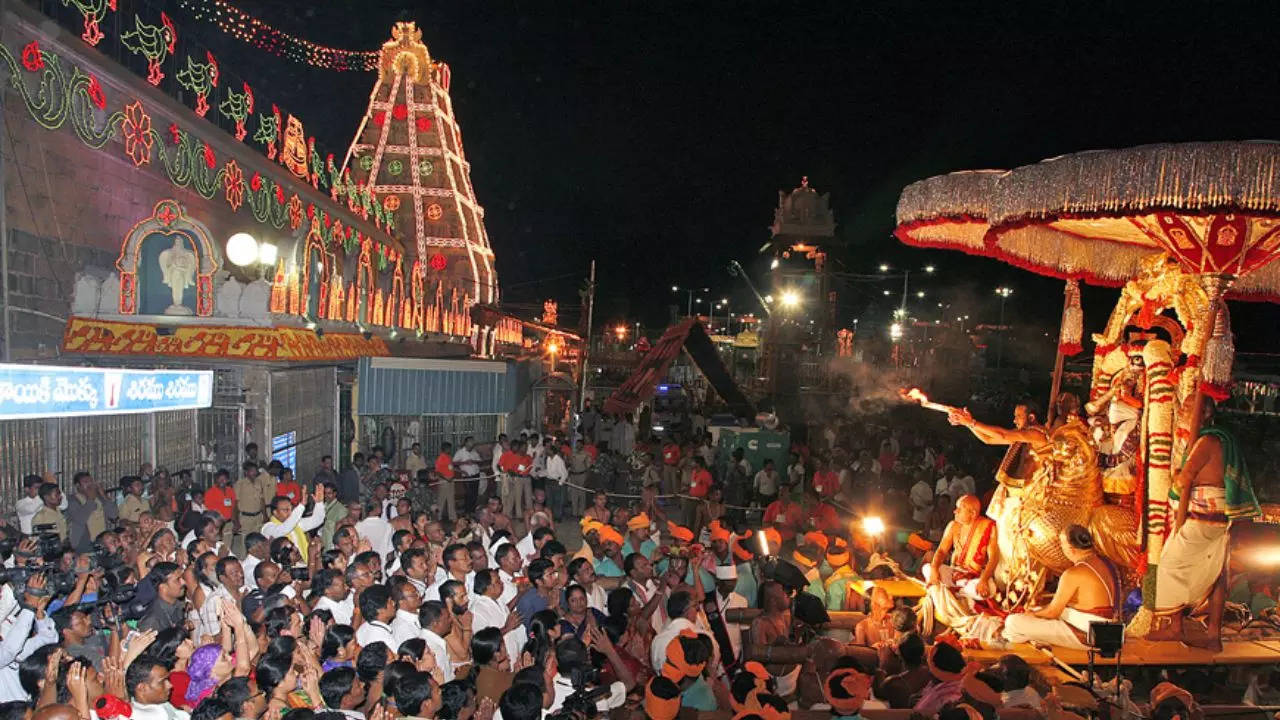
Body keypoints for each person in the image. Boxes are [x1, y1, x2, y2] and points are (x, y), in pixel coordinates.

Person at [1149, 401, 1260, 650]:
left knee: (1160, 565)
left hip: (1202, 519)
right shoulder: (1225, 439)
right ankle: (1212, 635)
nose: (1182, 410)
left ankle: (1175, 625)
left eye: (1188, 407)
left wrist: (1174, 480)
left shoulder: (1207, 441)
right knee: (1217, 572)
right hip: (1219, 519)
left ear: (1204, 413)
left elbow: (1186, 478)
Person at [1002, 525, 1121, 649]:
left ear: (1070, 549)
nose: (1061, 548)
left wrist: (1032, 614)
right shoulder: (1105, 563)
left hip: (1090, 635)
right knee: (1038, 610)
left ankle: (1030, 641)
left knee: (1013, 622)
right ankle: (1036, 637)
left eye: (1061, 544)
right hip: (1110, 631)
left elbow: (1053, 612)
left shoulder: (1073, 573)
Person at [924, 494, 1000, 612]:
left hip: (974, 579)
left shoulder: (988, 526)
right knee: (927, 568)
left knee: (990, 589)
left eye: (960, 508)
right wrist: (934, 569)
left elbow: (993, 558)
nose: (955, 511)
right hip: (954, 574)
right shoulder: (953, 526)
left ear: (973, 514)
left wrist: (984, 580)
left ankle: (955, 592)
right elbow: (942, 551)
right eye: (956, 507)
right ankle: (958, 593)